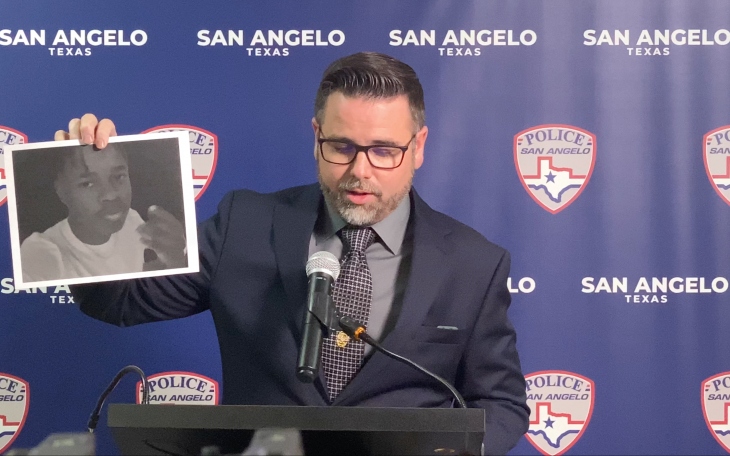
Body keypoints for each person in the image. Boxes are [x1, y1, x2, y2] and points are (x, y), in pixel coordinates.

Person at [64, 52, 529, 454]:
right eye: (341, 146)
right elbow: (117, 302)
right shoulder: (242, 225)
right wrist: (79, 211)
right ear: (316, 135)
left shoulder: (474, 264)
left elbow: (502, 403)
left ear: (419, 146)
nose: (360, 171)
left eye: (384, 151)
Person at [20, 143, 187, 282]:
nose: (111, 194)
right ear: (62, 191)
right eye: (88, 184)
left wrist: (176, 258)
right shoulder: (43, 252)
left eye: (119, 176)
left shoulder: (131, 220)